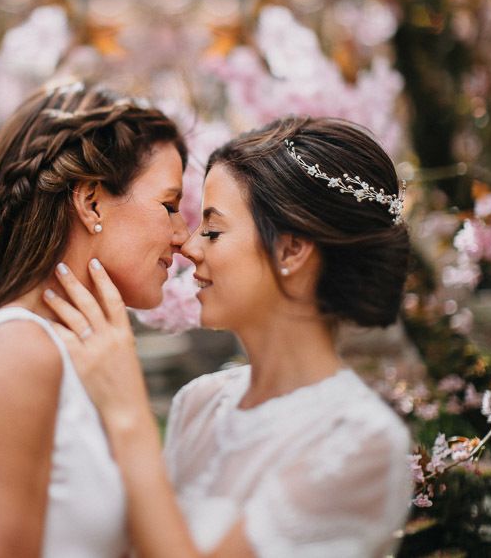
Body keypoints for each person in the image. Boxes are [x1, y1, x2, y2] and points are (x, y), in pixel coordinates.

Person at [44, 116, 413, 557]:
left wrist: (127, 414)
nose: (189, 247)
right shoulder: (199, 404)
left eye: (213, 231)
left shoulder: (361, 442)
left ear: (291, 250)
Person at [0, 81, 190, 557]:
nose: (182, 236)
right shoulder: (17, 352)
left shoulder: (31, 347)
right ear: (91, 201)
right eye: (170, 205)